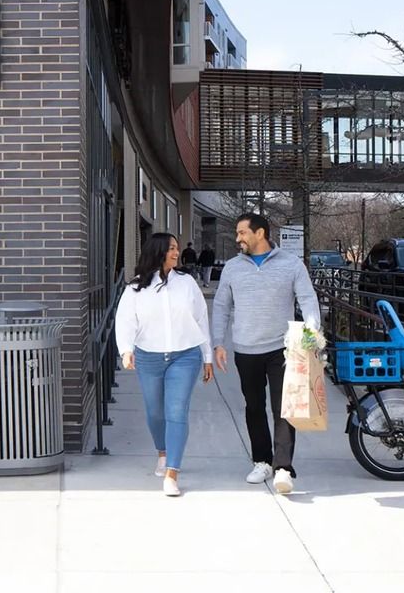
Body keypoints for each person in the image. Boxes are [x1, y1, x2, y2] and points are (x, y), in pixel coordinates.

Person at [211, 212, 323, 496]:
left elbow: (308, 299)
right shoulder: (233, 268)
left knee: (284, 409)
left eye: (242, 233)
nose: (238, 239)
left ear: (259, 233)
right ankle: (262, 461)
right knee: (254, 407)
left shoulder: (291, 264)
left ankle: (283, 467)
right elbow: (222, 306)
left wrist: (311, 334)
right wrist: (218, 343)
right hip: (245, 349)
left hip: (282, 349)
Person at [115, 233, 213, 497]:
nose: (176, 253)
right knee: (155, 413)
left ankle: (172, 472)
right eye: (171, 248)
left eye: (177, 248)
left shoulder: (186, 282)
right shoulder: (136, 287)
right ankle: (162, 451)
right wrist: (126, 350)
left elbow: (201, 319)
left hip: (185, 356)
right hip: (149, 356)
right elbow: (125, 320)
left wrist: (207, 357)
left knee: (176, 411)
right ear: (157, 251)